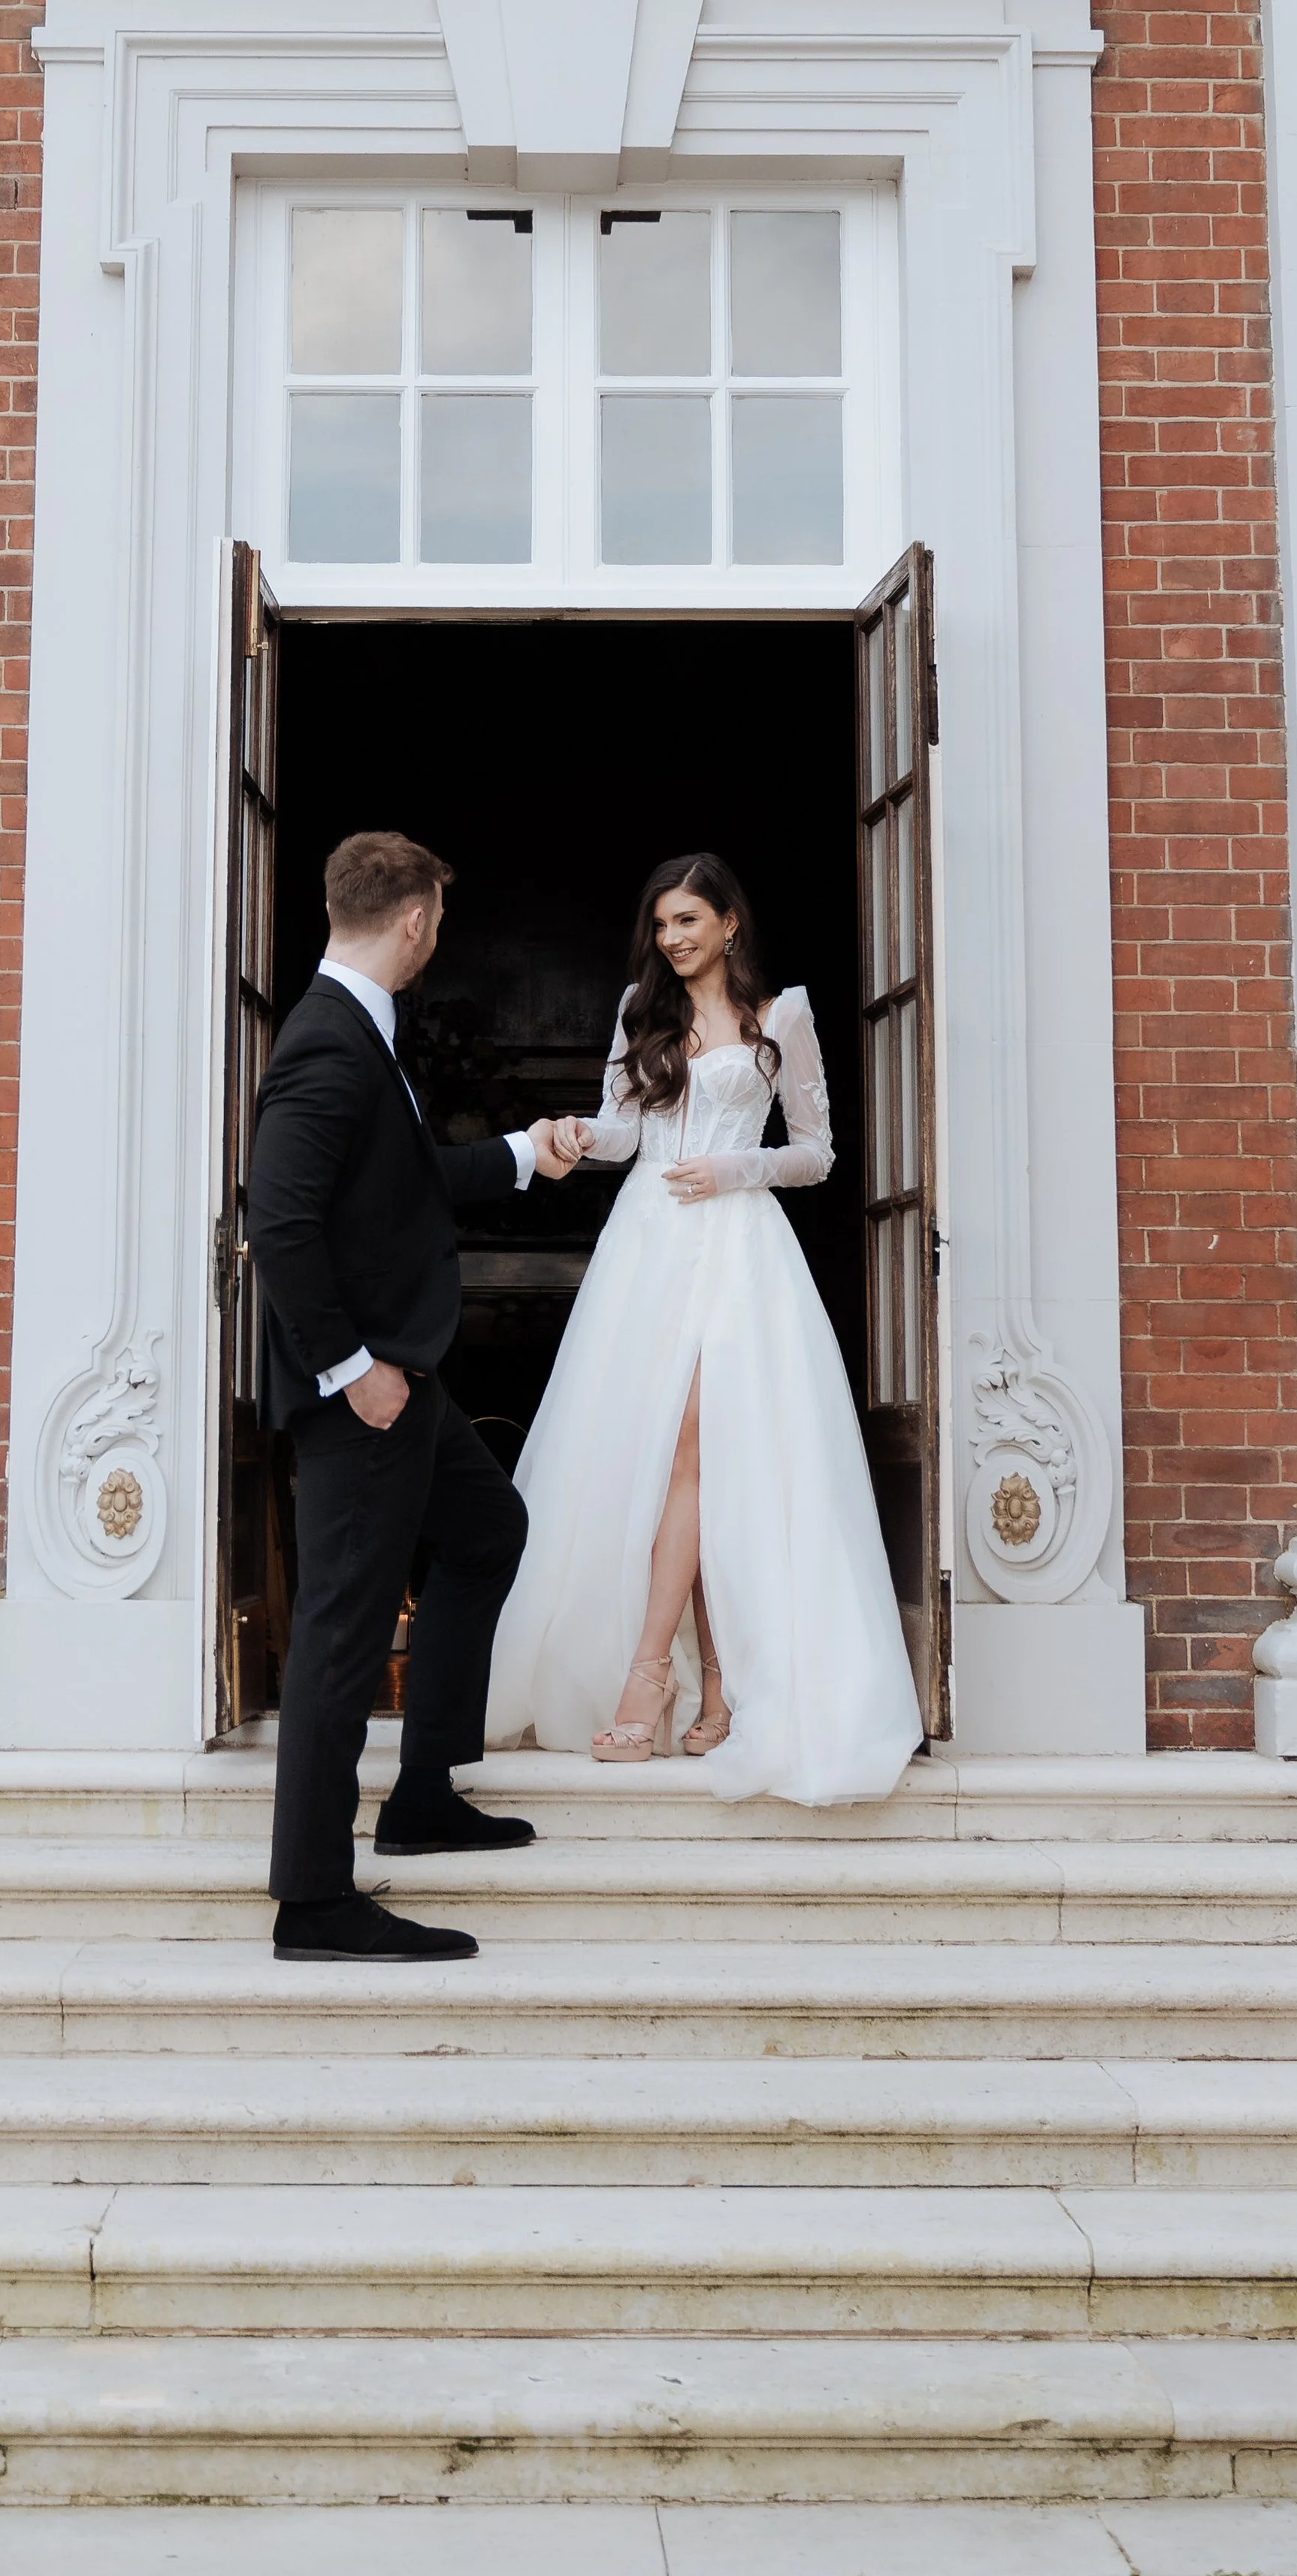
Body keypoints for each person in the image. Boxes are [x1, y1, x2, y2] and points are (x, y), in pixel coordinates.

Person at [487, 853, 924, 1804]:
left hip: (738, 1249)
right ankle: (714, 1686)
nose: (671, 939)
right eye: (661, 925)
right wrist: (570, 1132)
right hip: (646, 1246)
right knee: (665, 1455)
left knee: (696, 1449)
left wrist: (735, 1169)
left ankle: (650, 1675)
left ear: (730, 922)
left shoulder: (785, 1016)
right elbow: (621, 1131)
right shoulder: (640, 1013)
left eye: (687, 920)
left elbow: (816, 1154)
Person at [247, 830, 580, 1961]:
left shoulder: (359, 1032)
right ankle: (314, 1901)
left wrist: (526, 1156)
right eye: (438, 916)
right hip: (365, 1391)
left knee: (489, 1530)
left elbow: (404, 1183)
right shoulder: (326, 1046)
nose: (438, 932)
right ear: (415, 922)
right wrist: (352, 1369)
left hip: (405, 1380)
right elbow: (278, 1222)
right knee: (340, 1637)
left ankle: (424, 1792)